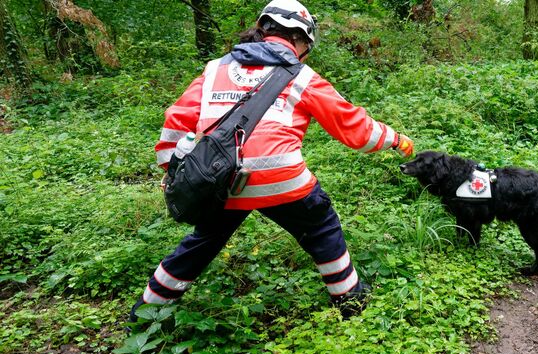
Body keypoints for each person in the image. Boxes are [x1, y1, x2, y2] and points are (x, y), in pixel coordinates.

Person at [129, 0, 414, 325]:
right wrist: (395, 139)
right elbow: (355, 129)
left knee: (200, 244)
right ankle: (351, 305)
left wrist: (173, 172)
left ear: (264, 30)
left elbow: (175, 122)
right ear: (301, 40)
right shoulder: (302, 76)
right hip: (282, 181)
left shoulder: (215, 69)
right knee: (322, 230)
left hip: (220, 180)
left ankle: (143, 317)